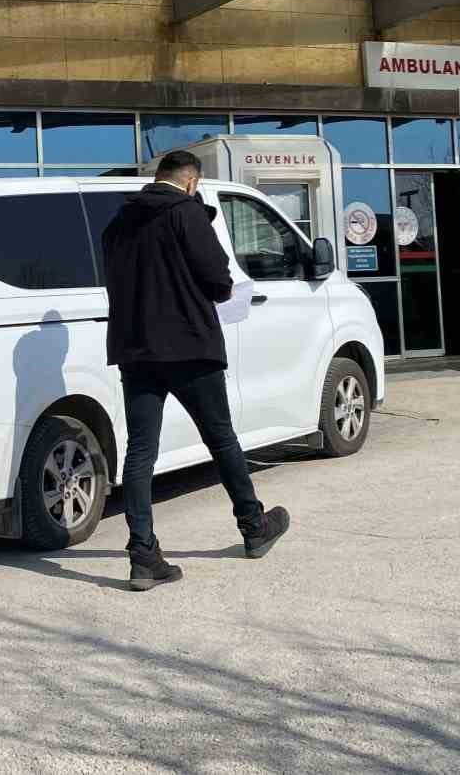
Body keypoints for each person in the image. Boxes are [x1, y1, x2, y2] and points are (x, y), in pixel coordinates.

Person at [101, 149, 290, 591]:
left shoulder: (118, 223)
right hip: (189, 345)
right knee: (221, 437)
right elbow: (218, 280)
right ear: (191, 182)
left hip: (135, 350)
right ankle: (253, 526)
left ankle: (143, 554)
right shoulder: (187, 213)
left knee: (141, 451)